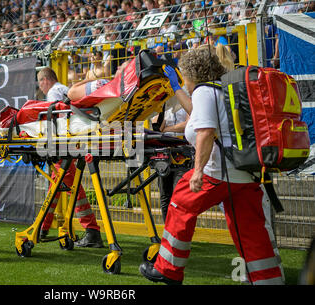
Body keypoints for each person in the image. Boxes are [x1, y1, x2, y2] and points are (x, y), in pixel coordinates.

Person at [139, 47, 285, 285]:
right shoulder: (222, 90)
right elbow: (200, 116)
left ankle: (168, 269)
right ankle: (268, 280)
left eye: (183, 74)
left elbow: (205, 132)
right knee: (250, 230)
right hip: (245, 172)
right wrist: (176, 87)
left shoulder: (204, 91)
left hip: (218, 171)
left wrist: (197, 172)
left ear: (192, 73)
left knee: (180, 202)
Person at [37, 67, 104, 248]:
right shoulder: (64, 89)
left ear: (45, 80)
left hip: (61, 145)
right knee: (55, 185)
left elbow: (54, 117)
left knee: (72, 188)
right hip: (71, 141)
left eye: (40, 82)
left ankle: (92, 231)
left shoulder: (53, 92)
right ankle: (43, 227)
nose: (40, 87)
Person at [151, 95, 190, 223]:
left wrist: (167, 129)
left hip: (182, 150)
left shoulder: (187, 101)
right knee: (164, 194)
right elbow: (157, 128)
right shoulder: (162, 104)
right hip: (164, 151)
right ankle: (168, 228)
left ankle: (178, 227)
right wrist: (163, 106)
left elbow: (188, 124)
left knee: (178, 193)